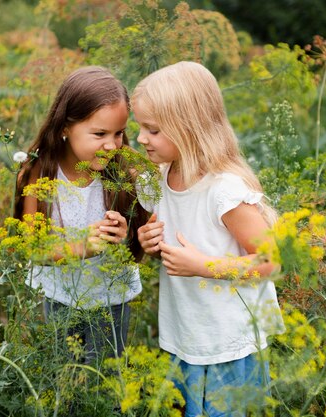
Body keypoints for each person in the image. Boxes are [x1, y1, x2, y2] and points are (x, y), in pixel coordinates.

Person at [133, 61, 285, 416]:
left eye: (153, 130)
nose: (141, 138)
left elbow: (271, 262)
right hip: (187, 334)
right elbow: (175, 251)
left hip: (228, 342)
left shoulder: (224, 189)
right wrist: (149, 243)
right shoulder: (158, 180)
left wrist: (204, 266)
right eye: (140, 127)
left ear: (188, 129)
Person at [14, 66, 149, 365]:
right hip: (59, 296)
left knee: (104, 377)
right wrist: (83, 247)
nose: (112, 145)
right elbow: (32, 248)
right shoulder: (41, 172)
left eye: (119, 133)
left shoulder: (125, 172)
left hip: (112, 298)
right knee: (64, 375)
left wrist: (124, 233)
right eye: (99, 134)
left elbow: (143, 240)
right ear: (64, 127)